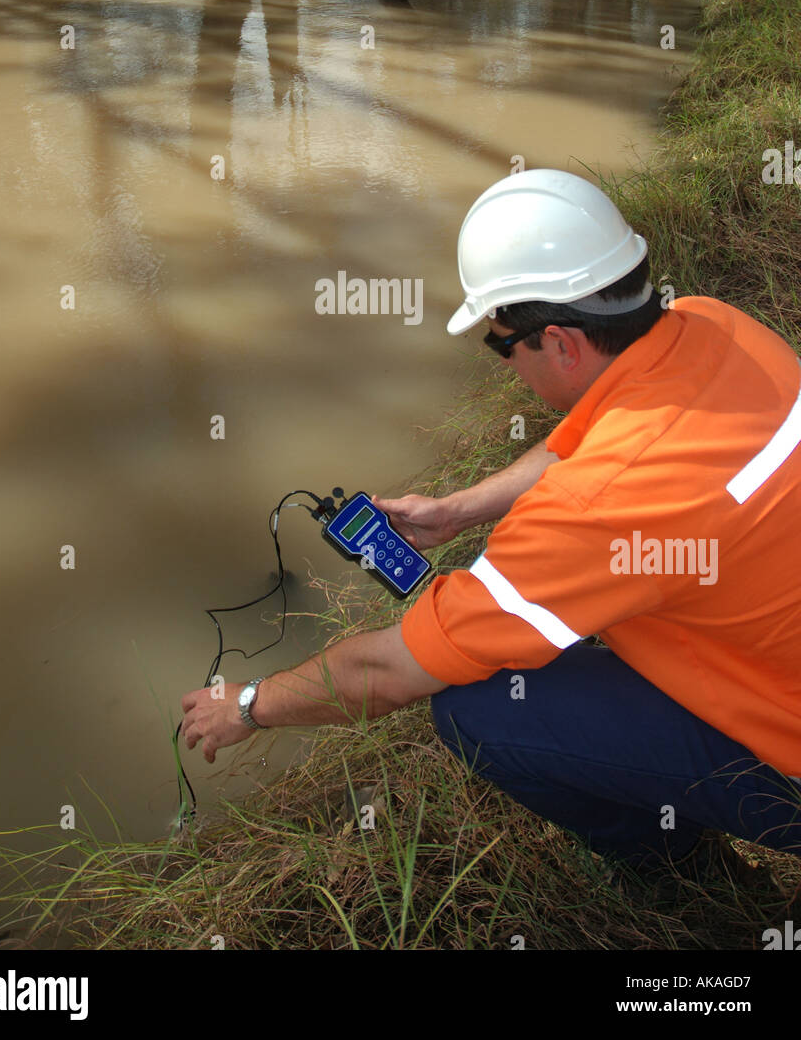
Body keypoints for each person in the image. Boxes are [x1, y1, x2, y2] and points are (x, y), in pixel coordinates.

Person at [181, 169, 801, 891]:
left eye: (501, 346)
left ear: (561, 344)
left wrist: (249, 706)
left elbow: (386, 673)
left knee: (480, 711)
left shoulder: (591, 512)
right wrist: (460, 510)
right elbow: (595, 435)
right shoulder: (713, 326)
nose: (509, 371)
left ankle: (684, 873)